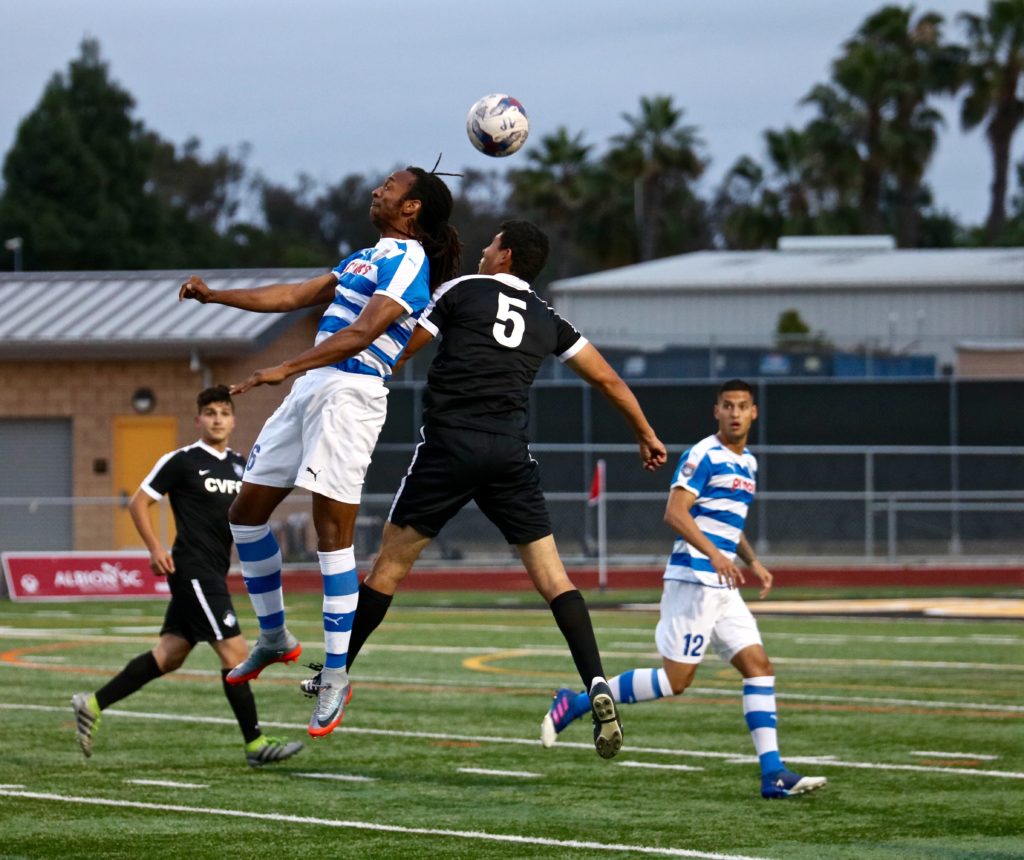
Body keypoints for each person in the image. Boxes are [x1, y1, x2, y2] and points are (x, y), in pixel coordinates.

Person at [316, 219, 667, 759]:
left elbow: (403, 347)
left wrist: (341, 371)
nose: (482, 249)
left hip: (450, 448)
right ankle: (595, 680)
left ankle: (334, 676)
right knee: (555, 579)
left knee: (387, 569)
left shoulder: (461, 290)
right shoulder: (550, 319)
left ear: (505, 255)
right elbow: (609, 380)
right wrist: (646, 433)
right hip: (509, 454)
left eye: (491, 243)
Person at [178, 167, 461, 739]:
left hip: (350, 393)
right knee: (246, 515)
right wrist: (216, 296)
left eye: (390, 185)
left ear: (412, 209)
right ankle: (276, 637)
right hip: (311, 390)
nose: (378, 189)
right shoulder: (363, 255)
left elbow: (363, 333)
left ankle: (335, 674)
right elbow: (295, 295)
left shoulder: (410, 262)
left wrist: (287, 365)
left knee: (331, 534)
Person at [539, 379, 828, 797]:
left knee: (759, 667)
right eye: (727, 405)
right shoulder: (703, 454)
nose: (734, 412)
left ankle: (773, 774)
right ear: (716, 412)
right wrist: (714, 554)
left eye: (742, 406)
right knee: (676, 681)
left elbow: (728, 523)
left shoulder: (749, 463)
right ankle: (576, 702)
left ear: (754, 413)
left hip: (722, 585)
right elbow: (675, 513)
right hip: (693, 578)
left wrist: (752, 561)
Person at [71, 386, 304, 767]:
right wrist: (155, 548)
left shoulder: (243, 465)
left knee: (169, 656)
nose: (217, 419)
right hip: (192, 570)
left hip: (214, 569)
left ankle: (92, 703)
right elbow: (139, 502)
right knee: (237, 654)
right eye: (210, 412)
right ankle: (255, 745)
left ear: (233, 419)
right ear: (198, 419)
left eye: (224, 412)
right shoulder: (182, 460)